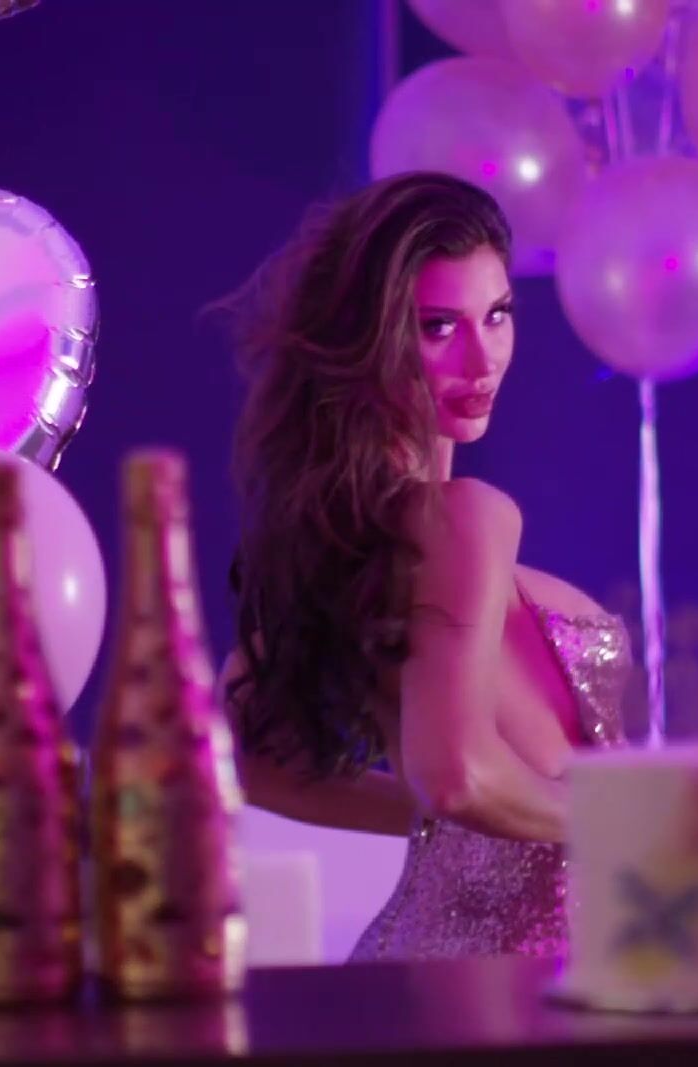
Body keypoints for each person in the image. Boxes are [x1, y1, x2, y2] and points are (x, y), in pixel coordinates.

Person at [218, 172, 634, 961]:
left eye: (498, 314)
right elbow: (457, 776)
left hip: (448, 968)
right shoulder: (465, 519)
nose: (482, 359)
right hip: (496, 989)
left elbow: (248, 760)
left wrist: (438, 824)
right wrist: (637, 823)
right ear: (371, 339)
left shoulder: (349, 542)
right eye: (439, 326)